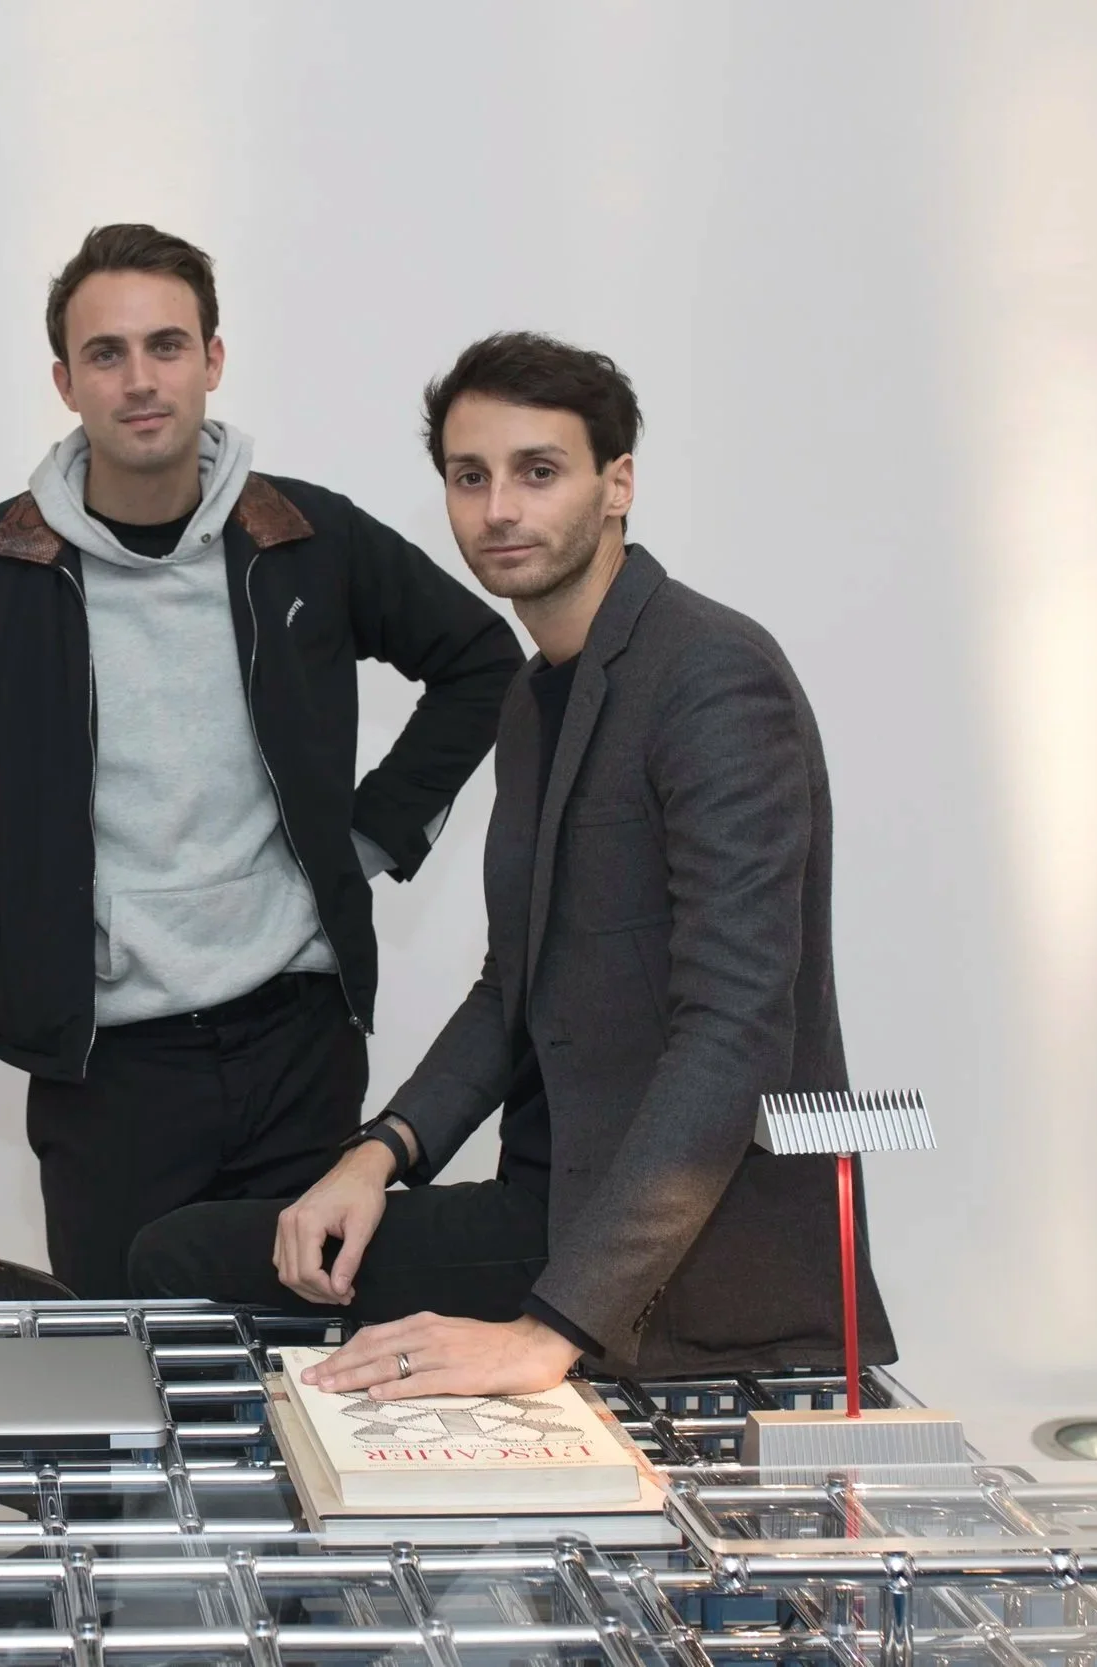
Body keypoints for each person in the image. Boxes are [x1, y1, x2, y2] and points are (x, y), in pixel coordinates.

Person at [129, 331, 894, 1396]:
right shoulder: (536, 696)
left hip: (679, 1260)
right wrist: (376, 1153)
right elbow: (511, 987)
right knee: (192, 1254)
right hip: (554, 1201)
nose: (498, 510)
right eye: (468, 476)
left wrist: (550, 1328)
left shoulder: (712, 677)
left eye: (539, 472)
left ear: (616, 482)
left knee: (189, 1265)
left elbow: (735, 1031)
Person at [0, 225, 524, 1297]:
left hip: (297, 1045)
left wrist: (364, 837)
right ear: (64, 381)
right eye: (107, 354)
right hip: (106, 1070)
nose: (139, 380)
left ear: (213, 359)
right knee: (124, 1381)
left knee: (312, 1375)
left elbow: (482, 659)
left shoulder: (305, 536)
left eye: (166, 346)